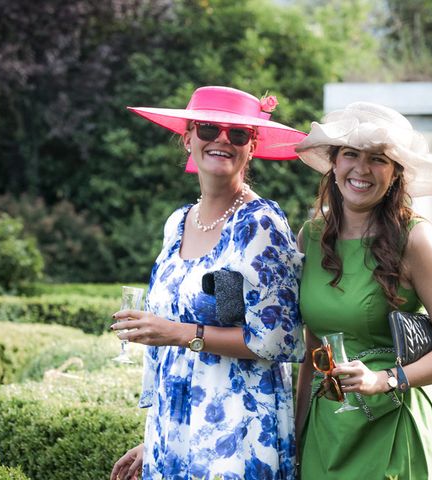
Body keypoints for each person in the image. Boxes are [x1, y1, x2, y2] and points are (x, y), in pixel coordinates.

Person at [109, 86, 307, 480]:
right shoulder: (177, 222)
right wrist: (159, 436)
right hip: (177, 429)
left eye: (236, 134)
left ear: (251, 147)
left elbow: (277, 340)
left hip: (238, 432)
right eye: (207, 129)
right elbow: (176, 356)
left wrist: (178, 332)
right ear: (187, 138)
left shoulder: (259, 224)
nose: (221, 140)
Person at [293, 101, 432, 479]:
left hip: (394, 425)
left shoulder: (415, 239)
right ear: (334, 161)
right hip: (329, 425)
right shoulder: (310, 237)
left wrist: (386, 379)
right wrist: (295, 438)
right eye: (350, 154)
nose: (361, 169)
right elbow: (312, 352)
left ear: (395, 173)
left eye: (378, 158)